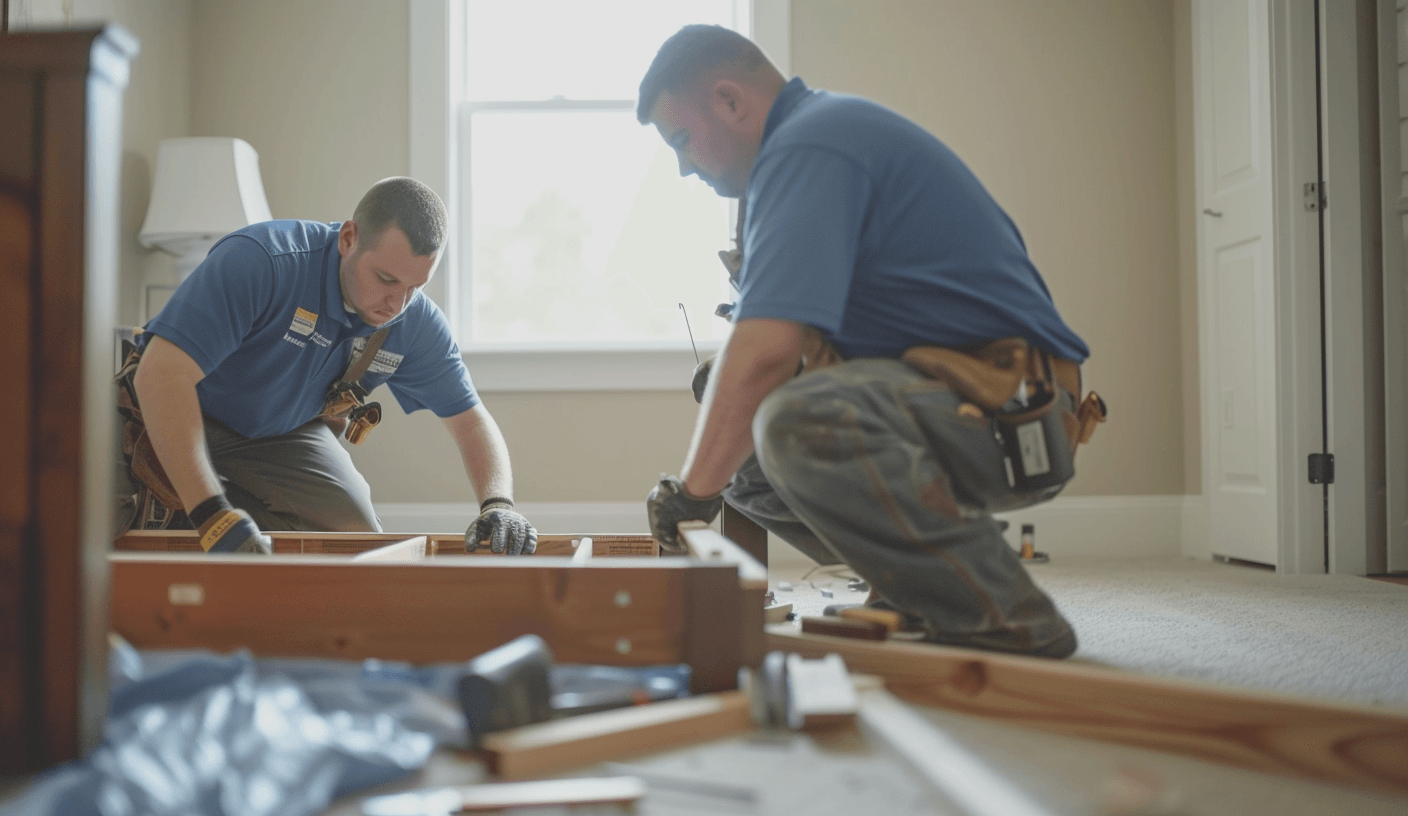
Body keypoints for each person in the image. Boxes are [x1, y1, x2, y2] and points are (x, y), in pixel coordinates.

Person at [638, 26, 1105, 658]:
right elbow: (760, 359)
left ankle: (1002, 614)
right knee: (744, 459)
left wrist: (687, 496)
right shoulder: (801, 151)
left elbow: (767, 354)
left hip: (1019, 418)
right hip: (958, 405)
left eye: (681, 138)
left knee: (798, 421)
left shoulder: (811, 144)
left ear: (728, 101)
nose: (684, 165)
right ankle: (916, 587)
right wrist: (706, 482)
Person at [117, 177, 537, 556]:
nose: (397, 304)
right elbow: (161, 374)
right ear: (349, 238)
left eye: (415, 287)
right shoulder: (264, 261)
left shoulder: (414, 321)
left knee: (352, 535)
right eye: (387, 279)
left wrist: (498, 504)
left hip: (277, 433)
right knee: (101, 523)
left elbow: (471, 421)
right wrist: (211, 514)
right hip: (177, 407)